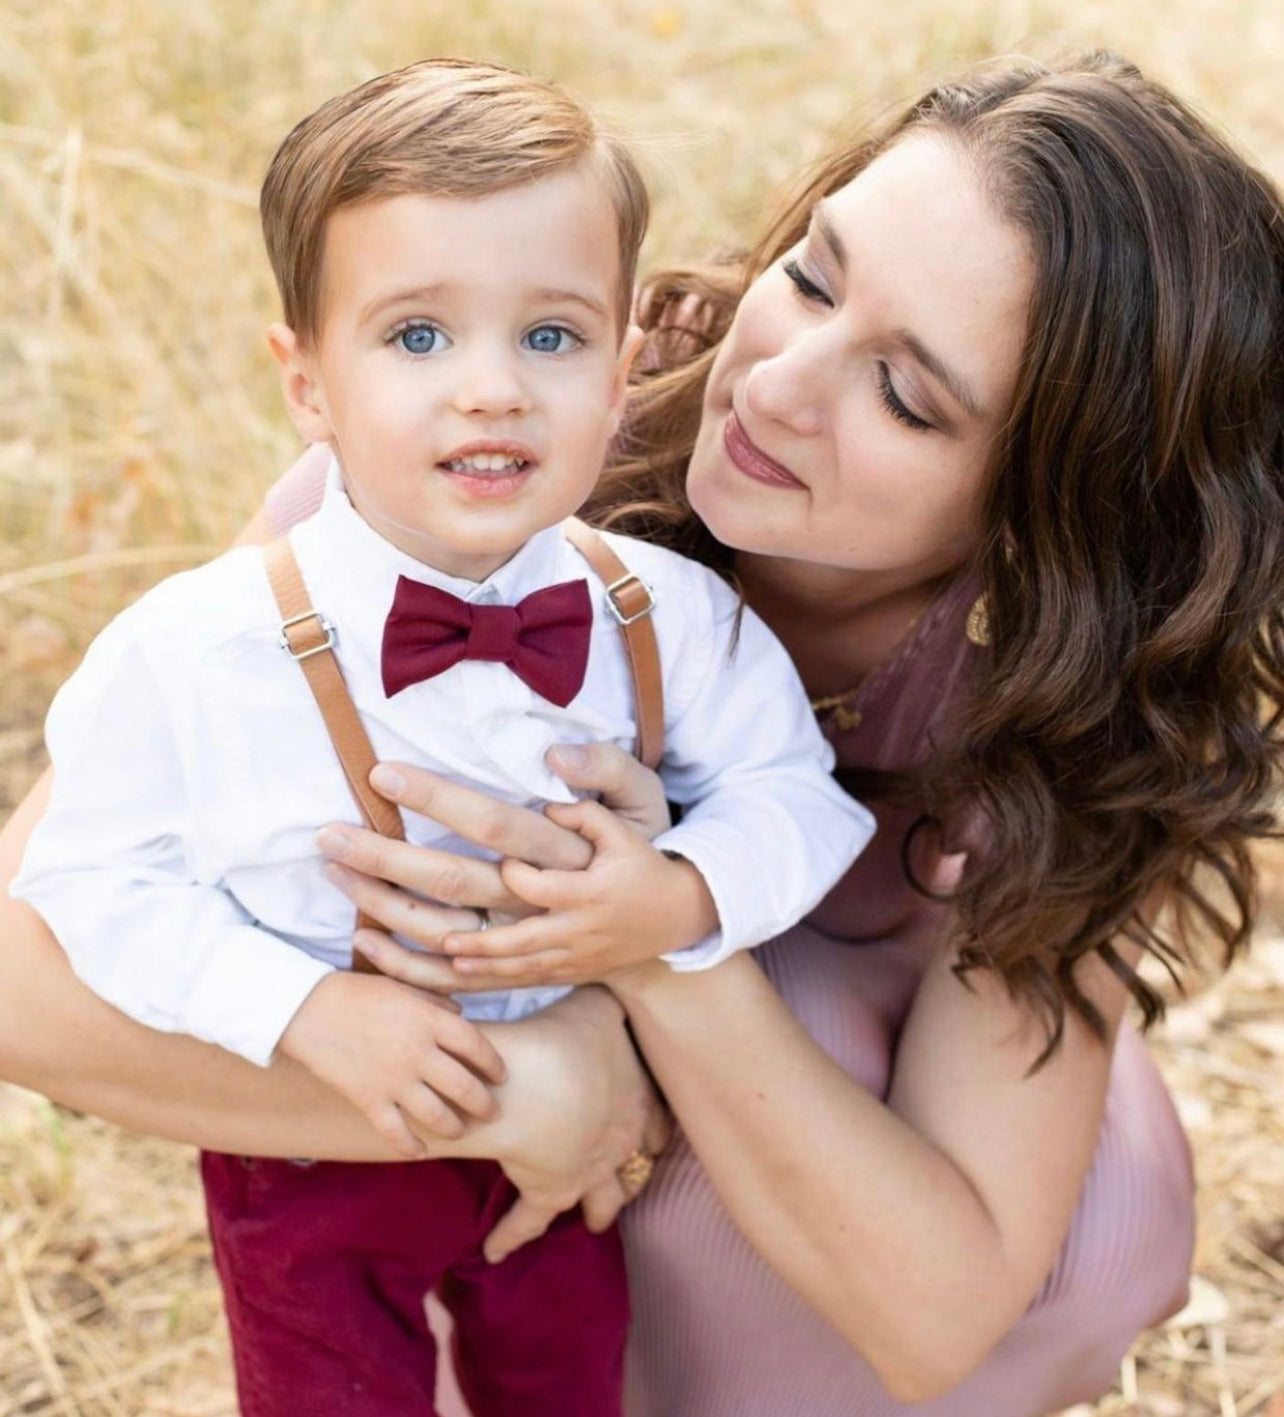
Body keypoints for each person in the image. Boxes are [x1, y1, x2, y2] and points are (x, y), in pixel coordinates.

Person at [2, 47, 1282, 1417]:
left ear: (1046, 505)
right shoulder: (477, 464)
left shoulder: (1064, 698)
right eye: (813, 275)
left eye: (906, 395)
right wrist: (514, 1089)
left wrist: (660, 947)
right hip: (491, 1138)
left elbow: (939, 1308)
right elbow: (27, 972)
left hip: (853, 1156)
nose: (779, 386)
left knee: (1052, 1207)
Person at [6, 59, 872, 1417]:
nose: (490, 391)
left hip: (575, 1146)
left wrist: (678, 894)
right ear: (306, 381)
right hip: (314, 1139)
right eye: (417, 337)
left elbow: (798, 798)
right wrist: (298, 1007)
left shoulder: (669, 621)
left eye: (550, 337)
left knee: (567, 1387)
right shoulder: (197, 650)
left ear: (625, 364)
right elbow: (85, 881)